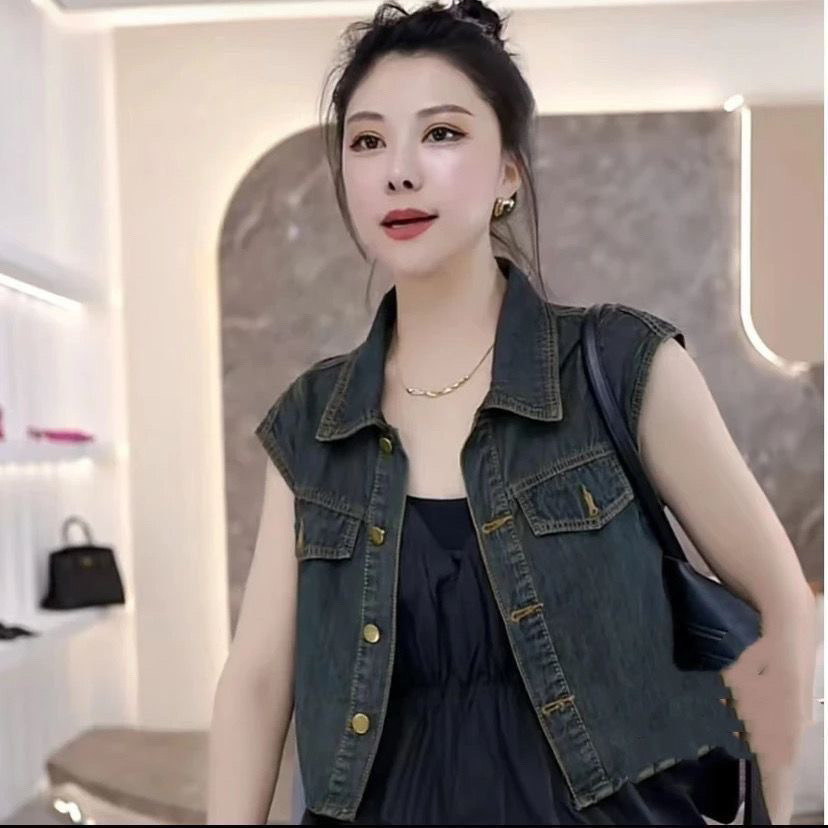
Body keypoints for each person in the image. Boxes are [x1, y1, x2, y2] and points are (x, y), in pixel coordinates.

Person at [207, 0, 817, 824]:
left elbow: (781, 600)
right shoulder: (313, 422)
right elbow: (256, 682)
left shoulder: (621, 365)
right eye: (368, 141)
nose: (399, 171)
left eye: (442, 133)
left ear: (507, 173)